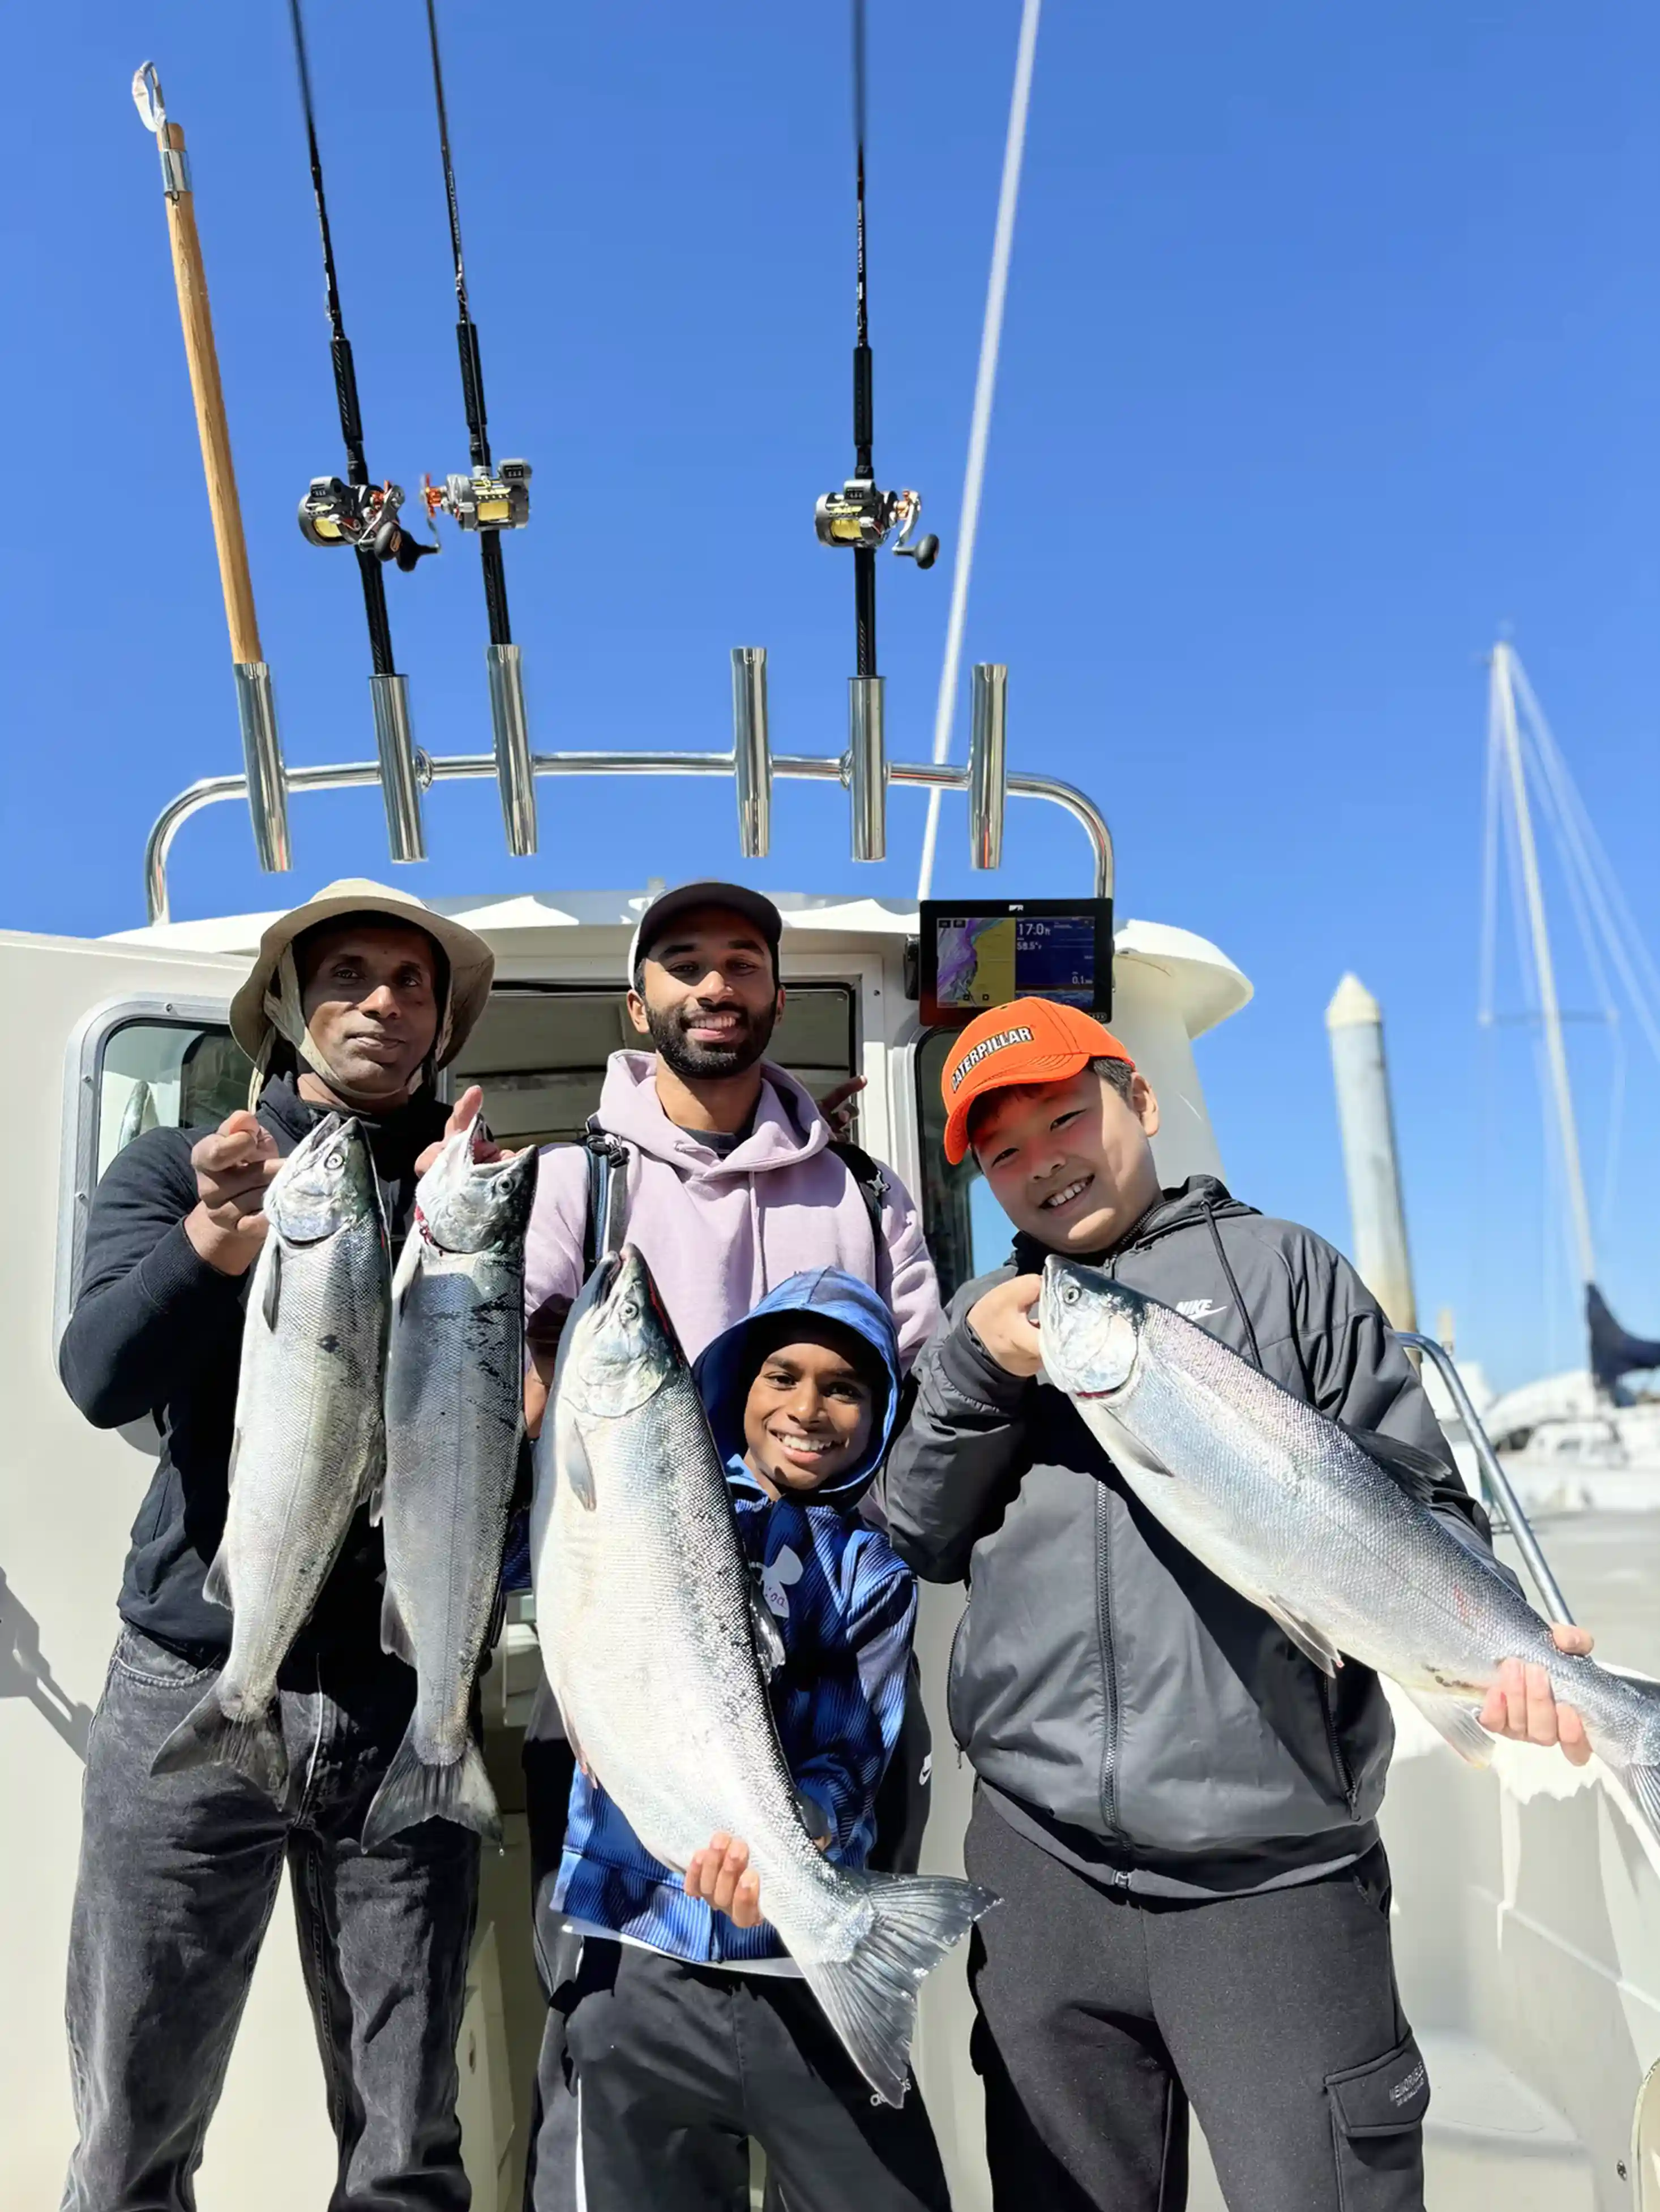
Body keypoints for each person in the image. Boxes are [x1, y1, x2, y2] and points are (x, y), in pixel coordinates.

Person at [878, 996, 1595, 2212]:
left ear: (1140, 1100)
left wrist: (1510, 1652)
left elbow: (1423, 1498)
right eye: (1002, 1152)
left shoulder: (1283, 1268)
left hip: (1269, 1879)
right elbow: (917, 1529)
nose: (1044, 1160)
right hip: (1041, 1874)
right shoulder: (983, 1326)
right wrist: (969, 1372)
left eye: (1066, 1117)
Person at [57, 879, 499, 2212]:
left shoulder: (470, 1191)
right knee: (133, 2110)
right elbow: (99, 1377)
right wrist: (206, 1244)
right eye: (349, 973)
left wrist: (468, 1239)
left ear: (439, 1023)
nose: (381, 999)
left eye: (411, 983)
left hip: (395, 1699)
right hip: (194, 1677)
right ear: (290, 1005)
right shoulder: (185, 1169)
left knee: (406, 2132)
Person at [519, 878, 941, 2210]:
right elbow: (504, 1348)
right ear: (637, 1002)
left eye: (744, 962)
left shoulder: (865, 1191)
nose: (717, 985)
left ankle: (828, 1960)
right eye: (685, 963)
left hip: (821, 1641)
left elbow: (924, 1388)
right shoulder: (576, 1173)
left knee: (811, 1961)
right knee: (618, 2008)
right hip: (622, 1617)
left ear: (773, 991)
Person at [550, 1268, 951, 2212]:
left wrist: (799, 1830)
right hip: (637, 1957)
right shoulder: (639, 1484)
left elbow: (856, 1752)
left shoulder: (874, 1570)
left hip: (801, 1980)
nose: (807, 1407)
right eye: (782, 1375)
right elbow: (523, 1550)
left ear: (876, 1408)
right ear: (737, 1386)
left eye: (843, 1386)